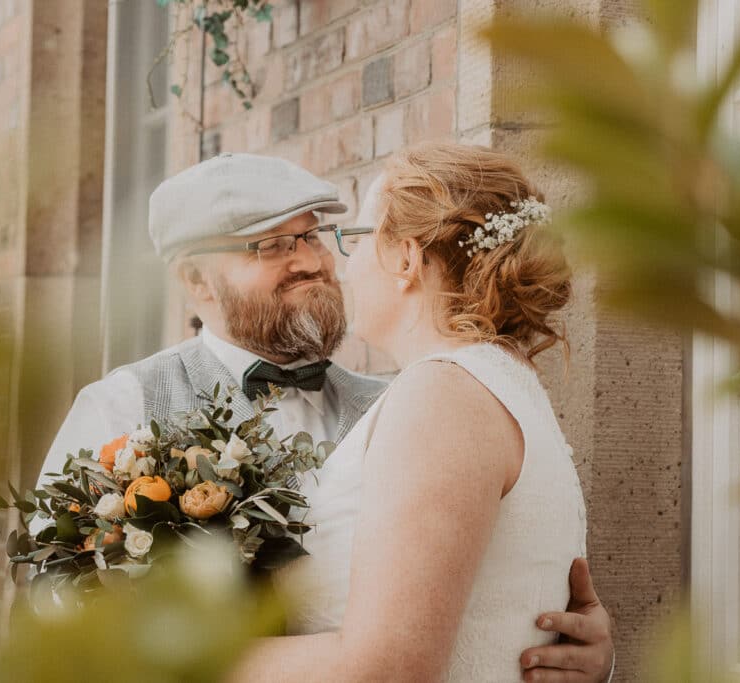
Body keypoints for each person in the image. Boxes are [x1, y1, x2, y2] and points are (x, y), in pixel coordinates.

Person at [35, 151, 615, 682]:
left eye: (313, 235)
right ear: (195, 279)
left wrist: (579, 655)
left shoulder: (408, 403)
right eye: (272, 245)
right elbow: (52, 605)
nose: (312, 261)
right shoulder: (124, 406)